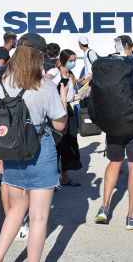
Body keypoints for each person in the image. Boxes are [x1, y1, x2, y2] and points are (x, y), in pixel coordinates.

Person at [0, 33, 68, 262]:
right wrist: (62, 99)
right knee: (39, 217)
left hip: (10, 151)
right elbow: (59, 123)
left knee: (15, 210)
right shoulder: (44, 86)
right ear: (39, 55)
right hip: (40, 151)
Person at [95, 35, 133, 230]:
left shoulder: (107, 64)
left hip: (113, 122)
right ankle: (131, 216)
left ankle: (104, 208)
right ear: (131, 47)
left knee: (114, 163)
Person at [46, 49, 82, 187]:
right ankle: (52, 180)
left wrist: (77, 96)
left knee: (68, 144)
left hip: (68, 110)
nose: (73, 63)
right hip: (56, 110)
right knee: (56, 145)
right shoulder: (55, 72)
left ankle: (65, 177)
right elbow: (44, 81)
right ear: (62, 61)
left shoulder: (70, 74)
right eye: (70, 60)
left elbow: (70, 95)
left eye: (74, 60)